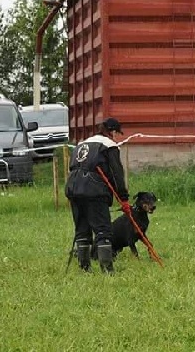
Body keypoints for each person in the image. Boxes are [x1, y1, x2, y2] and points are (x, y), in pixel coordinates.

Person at [65, 117, 130, 273]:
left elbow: (72, 166)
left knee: (82, 228)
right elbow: (116, 174)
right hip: (94, 190)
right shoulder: (109, 145)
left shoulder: (81, 143)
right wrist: (123, 198)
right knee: (103, 229)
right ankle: (107, 269)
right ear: (112, 132)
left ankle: (84, 268)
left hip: (73, 188)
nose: (117, 138)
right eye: (117, 134)